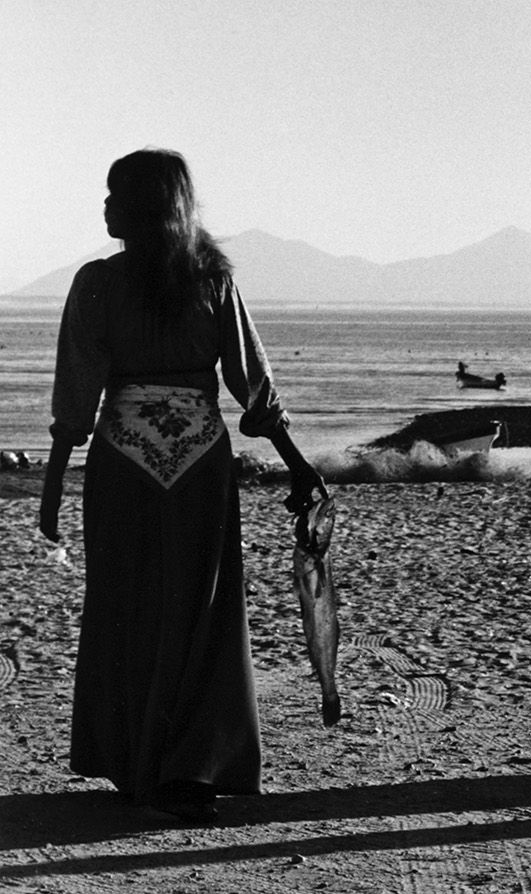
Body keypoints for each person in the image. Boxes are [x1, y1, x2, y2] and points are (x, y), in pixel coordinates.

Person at [38, 148, 323, 821]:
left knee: (126, 610)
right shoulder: (211, 281)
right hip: (200, 465)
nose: (104, 207)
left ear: (142, 206)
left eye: (113, 196)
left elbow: (74, 399)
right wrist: (297, 461)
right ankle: (190, 770)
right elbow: (251, 387)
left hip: (123, 468)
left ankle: (139, 764)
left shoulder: (97, 285)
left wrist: (52, 490)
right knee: (202, 614)